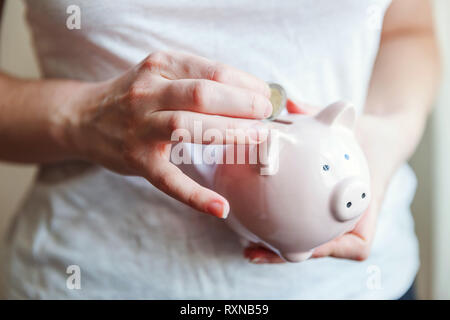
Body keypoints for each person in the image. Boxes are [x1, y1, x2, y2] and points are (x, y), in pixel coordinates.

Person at [0, 0, 439, 299]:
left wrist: (383, 136)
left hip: (359, 285)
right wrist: (82, 117)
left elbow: (408, 30)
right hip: (90, 278)